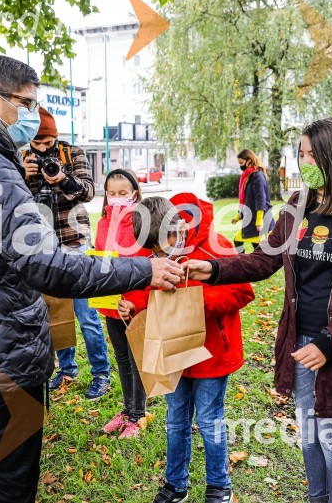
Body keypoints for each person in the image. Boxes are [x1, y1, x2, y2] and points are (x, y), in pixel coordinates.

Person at [0, 55, 184, 503]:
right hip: (5, 357)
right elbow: (49, 266)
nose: (35, 117)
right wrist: (143, 269)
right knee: (14, 478)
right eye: (27, 104)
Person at [187, 118, 332, 503]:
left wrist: (330, 344)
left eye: (313, 153)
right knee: (309, 432)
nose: (304, 160)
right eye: (302, 153)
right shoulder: (298, 205)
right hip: (300, 340)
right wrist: (214, 268)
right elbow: (264, 260)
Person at [118, 194, 255, 503]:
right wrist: (132, 304)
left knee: (209, 420)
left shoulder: (215, 245)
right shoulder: (151, 251)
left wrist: (196, 304)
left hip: (211, 354)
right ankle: (176, 484)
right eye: (152, 251)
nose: (159, 254)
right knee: (176, 418)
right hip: (172, 353)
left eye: (163, 246)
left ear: (178, 225)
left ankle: (219, 485)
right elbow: (142, 289)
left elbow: (243, 291)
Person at [22, 107, 113, 400]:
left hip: (75, 239)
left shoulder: (73, 154)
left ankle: (101, 374)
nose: (42, 148)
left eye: (47, 143)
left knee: (86, 314)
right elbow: (14, 199)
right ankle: (67, 369)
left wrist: (62, 178)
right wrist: (23, 175)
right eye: (36, 143)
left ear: (55, 137)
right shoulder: (23, 158)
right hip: (43, 242)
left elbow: (88, 192)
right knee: (56, 311)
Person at [94, 169, 148, 438]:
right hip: (111, 302)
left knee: (137, 361)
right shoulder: (103, 222)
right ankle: (128, 410)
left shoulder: (142, 221)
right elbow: (100, 259)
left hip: (134, 305)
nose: (116, 198)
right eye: (111, 193)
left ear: (134, 194)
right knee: (122, 360)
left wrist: (135, 302)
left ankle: (138, 416)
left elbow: (146, 264)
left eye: (123, 194)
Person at [231, 149, 274, 253]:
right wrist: (238, 216)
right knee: (256, 248)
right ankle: (247, 263)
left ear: (249, 160)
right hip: (251, 219)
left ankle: (246, 262)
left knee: (240, 241)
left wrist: (259, 222)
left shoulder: (257, 176)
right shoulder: (248, 176)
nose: (240, 166)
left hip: (258, 220)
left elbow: (261, 200)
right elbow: (247, 200)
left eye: (241, 163)